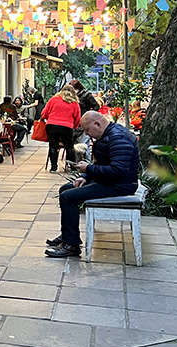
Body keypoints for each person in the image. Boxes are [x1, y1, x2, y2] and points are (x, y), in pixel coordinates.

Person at [44, 111, 141, 258]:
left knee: (68, 197)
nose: (87, 134)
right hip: (110, 181)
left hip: (120, 185)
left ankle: (72, 245)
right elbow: (102, 163)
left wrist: (89, 169)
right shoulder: (107, 135)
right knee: (66, 189)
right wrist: (86, 176)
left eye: (88, 130)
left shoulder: (118, 138)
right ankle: (68, 236)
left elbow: (118, 170)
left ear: (98, 124)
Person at [40, 84, 81, 172]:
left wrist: (48, 118)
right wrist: (74, 126)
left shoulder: (53, 100)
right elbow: (77, 117)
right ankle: (72, 166)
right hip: (67, 126)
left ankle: (53, 167)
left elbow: (44, 112)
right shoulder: (74, 103)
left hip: (51, 125)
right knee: (69, 147)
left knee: (53, 146)